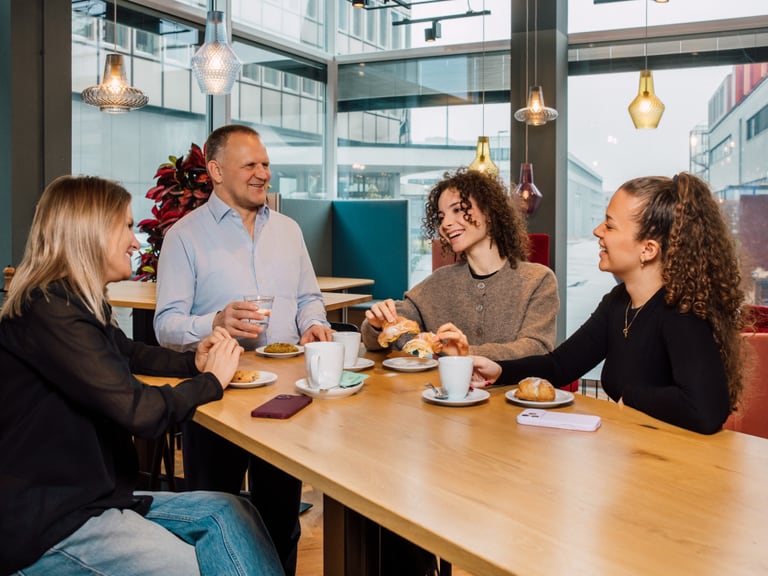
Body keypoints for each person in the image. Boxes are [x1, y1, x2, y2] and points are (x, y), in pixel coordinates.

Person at [0, 175, 283, 576]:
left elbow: (128, 352)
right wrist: (211, 382)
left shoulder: (72, 302)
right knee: (195, 568)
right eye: (127, 227)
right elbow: (140, 412)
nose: (136, 242)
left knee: (233, 510)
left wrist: (193, 362)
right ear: (91, 233)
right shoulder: (49, 311)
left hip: (95, 497)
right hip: (53, 522)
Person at [154, 125, 331, 576]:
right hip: (217, 401)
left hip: (287, 400)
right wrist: (213, 322)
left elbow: (310, 298)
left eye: (266, 164)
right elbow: (165, 327)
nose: (262, 173)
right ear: (215, 170)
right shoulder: (184, 237)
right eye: (250, 165)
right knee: (215, 522)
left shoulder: (289, 231)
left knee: (281, 522)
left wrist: (314, 324)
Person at [472, 172, 745, 435]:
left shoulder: (681, 312)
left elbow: (706, 410)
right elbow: (560, 365)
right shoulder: (618, 303)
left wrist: (632, 396)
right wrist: (500, 369)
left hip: (676, 470)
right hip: (633, 455)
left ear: (648, 249)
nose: (597, 230)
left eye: (610, 225)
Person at [361, 167, 558, 360]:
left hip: (510, 392)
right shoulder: (439, 281)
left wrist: (467, 353)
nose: (446, 223)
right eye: (441, 216)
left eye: (457, 210)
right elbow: (377, 340)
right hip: (443, 392)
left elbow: (537, 347)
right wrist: (377, 325)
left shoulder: (538, 280)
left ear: (489, 212)